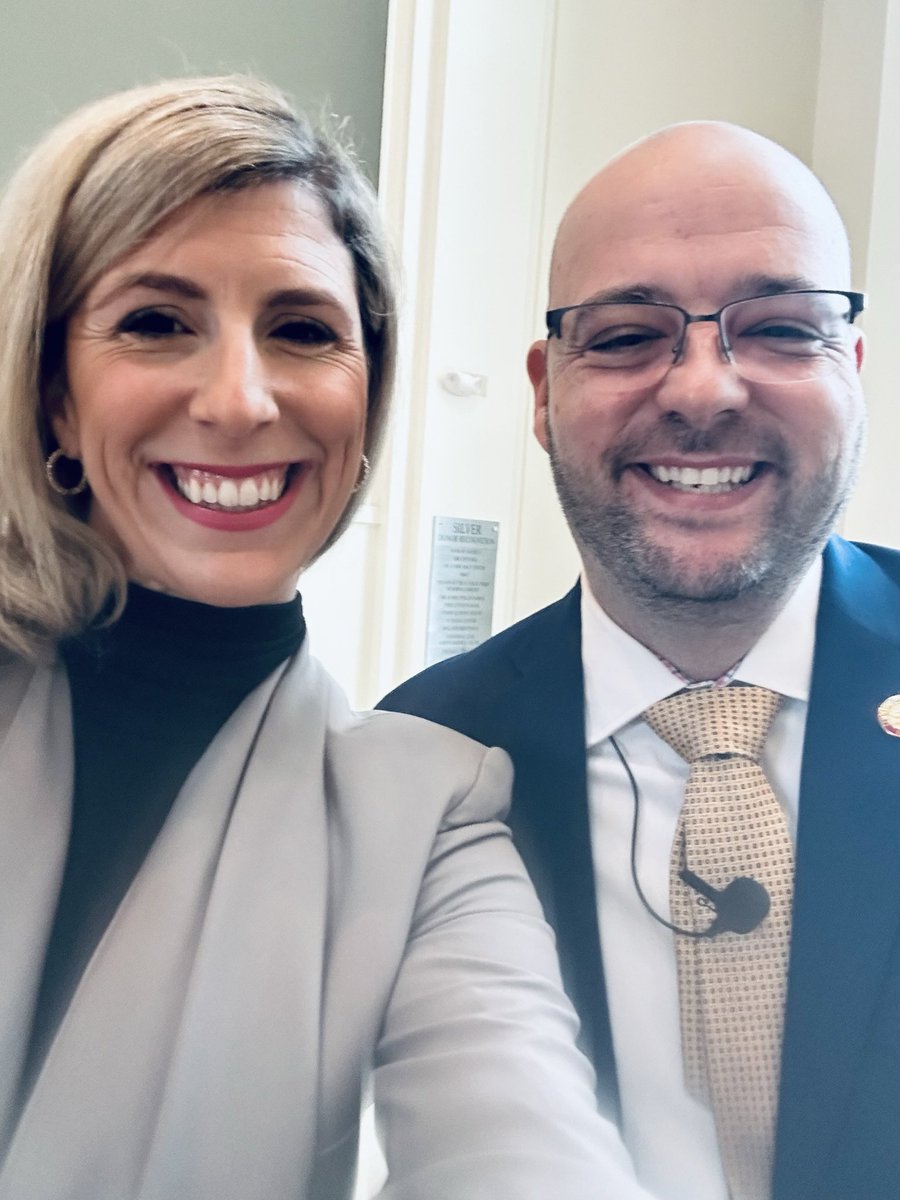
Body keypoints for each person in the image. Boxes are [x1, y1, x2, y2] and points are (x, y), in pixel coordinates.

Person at [0, 76, 653, 1200]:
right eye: (158, 322)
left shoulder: (431, 812)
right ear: (54, 391)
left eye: (302, 330)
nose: (241, 400)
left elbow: (518, 1136)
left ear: (368, 400)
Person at [380, 121, 900, 1200]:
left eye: (781, 330)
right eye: (624, 337)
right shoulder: (420, 761)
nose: (704, 392)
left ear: (852, 369)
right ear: (541, 390)